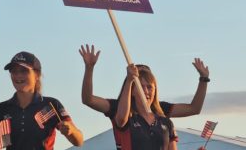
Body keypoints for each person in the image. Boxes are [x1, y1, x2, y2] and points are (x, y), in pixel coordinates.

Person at [79, 44, 210, 118]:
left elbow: (194, 109)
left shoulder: (160, 109)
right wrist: (89, 68)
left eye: (149, 86)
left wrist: (203, 79)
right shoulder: (117, 107)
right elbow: (88, 100)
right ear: (131, 88)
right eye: (140, 86)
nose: (146, 91)